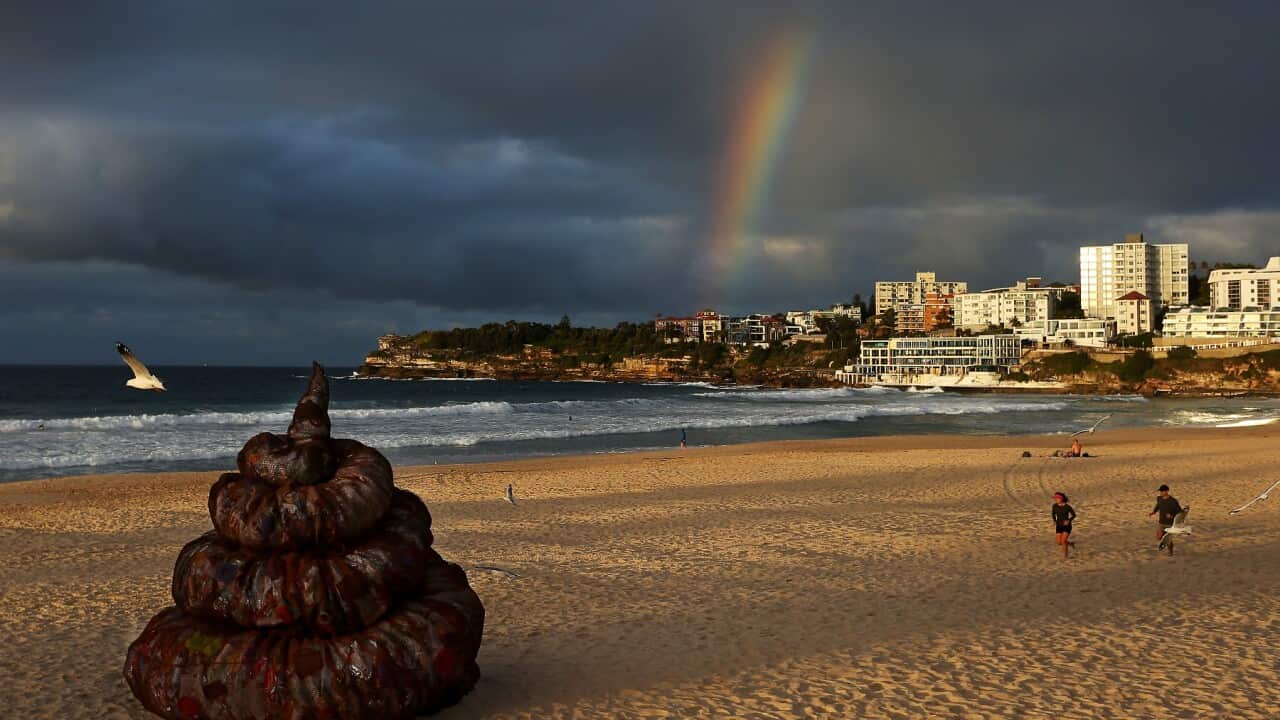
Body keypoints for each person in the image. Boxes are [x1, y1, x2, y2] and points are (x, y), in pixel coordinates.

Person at [1149, 484, 1184, 556]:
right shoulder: (1159, 498)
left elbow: (1180, 512)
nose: (1161, 493)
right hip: (1161, 522)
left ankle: (1170, 551)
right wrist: (1153, 512)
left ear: (1167, 491)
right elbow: (1158, 505)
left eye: (1162, 491)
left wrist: (1171, 516)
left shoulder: (1173, 501)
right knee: (1159, 537)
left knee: (1168, 539)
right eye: (1160, 491)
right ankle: (1166, 540)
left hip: (1170, 523)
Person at [1052, 492, 1076, 559]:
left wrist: (1069, 520)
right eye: (1055, 498)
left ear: (1061, 499)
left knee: (1063, 541)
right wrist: (1054, 520)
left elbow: (1074, 515)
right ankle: (1070, 544)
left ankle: (1065, 557)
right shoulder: (1054, 506)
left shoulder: (1067, 507)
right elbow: (1053, 514)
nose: (1055, 499)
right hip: (1059, 525)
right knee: (1059, 542)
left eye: (1057, 498)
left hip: (1067, 526)